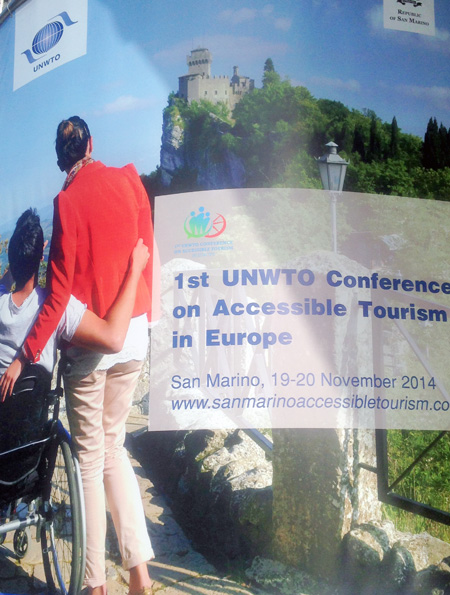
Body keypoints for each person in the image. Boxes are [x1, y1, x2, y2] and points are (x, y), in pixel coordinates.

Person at [4, 117, 155, 595]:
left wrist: (25, 355)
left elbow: (59, 294)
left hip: (91, 344)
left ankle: (94, 586)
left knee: (89, 460)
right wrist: (141, 314)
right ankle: (140, 575)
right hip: (134, 332)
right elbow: (146, 255)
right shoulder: (130, 179)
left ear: (59, 158)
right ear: (91, 144)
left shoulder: (65, 203)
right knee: (115, 449)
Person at [0, 208, 149, 401]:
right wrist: (135, 270)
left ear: (11, 257)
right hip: (32, 416)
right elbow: (113, 340)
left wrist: (20, 257)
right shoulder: (55, 307)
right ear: (42, 255)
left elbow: (4, 283)